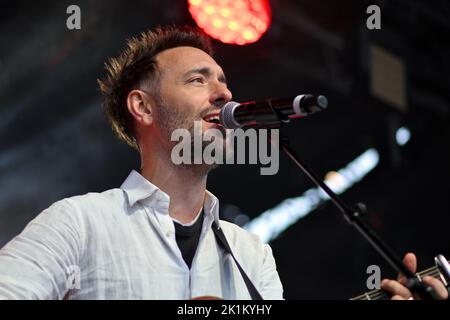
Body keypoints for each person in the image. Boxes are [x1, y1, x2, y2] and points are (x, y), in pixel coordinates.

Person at [0, 25, 446, 300]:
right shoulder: (79, 223)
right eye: (198, 80)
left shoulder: (251, 256)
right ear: (143, 107)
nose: (225, 94)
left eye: (224, 81)